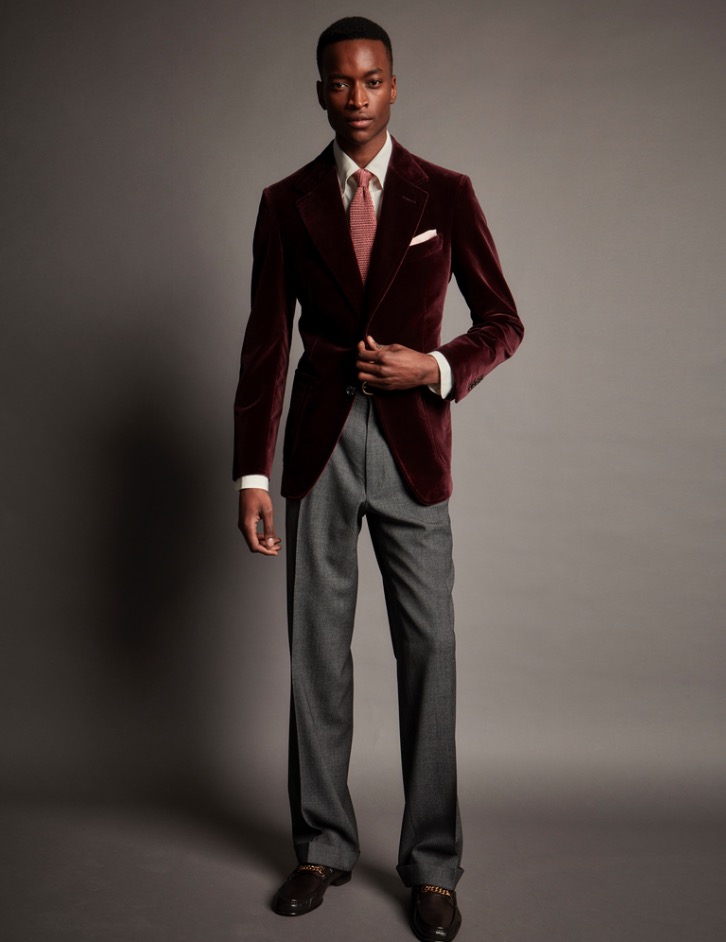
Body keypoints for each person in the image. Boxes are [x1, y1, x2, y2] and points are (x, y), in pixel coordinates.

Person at [233, 16, 523, 941]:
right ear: (320, 91)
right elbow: (265, 345)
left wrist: (432, 367)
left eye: (370, 81)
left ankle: (433, 867)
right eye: (338, 82)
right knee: (316, 654)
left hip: (412, 450)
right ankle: (321, 847)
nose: (354, 97)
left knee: (429, 651)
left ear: (394, 85)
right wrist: (252, 474)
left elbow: (503, 321)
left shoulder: (447, 192)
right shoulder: (285, 202)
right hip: (316, 450)